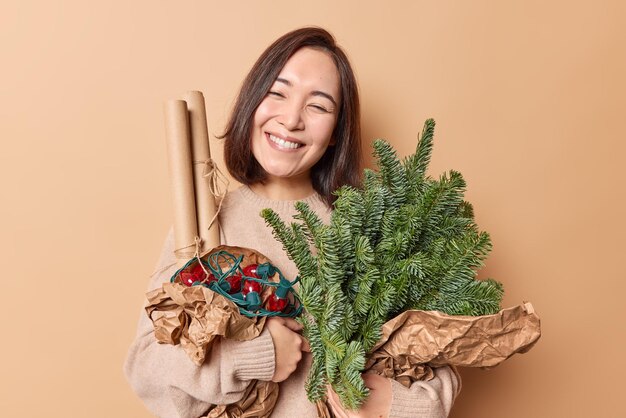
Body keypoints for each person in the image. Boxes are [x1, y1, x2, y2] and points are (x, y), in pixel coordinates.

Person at [124, 27, 461, 418]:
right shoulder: (204, 225)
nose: (291, 119)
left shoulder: (369, 229)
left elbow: (439, 366)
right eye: (278, 93)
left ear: (336, 133)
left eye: (318, 106)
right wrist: (255, 355)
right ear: (253, 102)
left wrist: (391, 401)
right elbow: (146, 371)